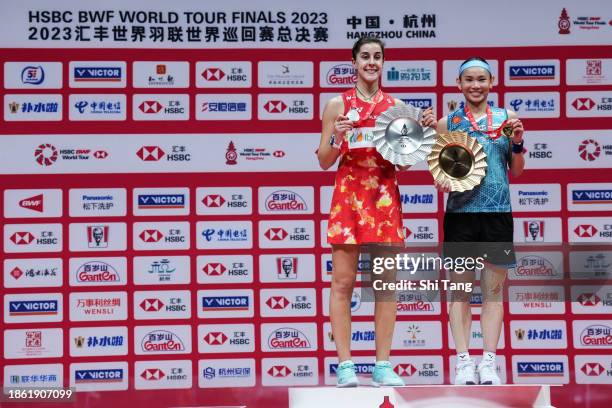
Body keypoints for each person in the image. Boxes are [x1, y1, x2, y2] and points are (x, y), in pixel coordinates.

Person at [317, 37, 436, 387]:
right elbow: (324, 161)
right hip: (349, 199)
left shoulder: (397, 108)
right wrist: (337, 138)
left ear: (384, 63)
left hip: (384, 199)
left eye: (377, 57)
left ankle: (383, 365)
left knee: (385, 287)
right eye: (365, 56)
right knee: (342, 283)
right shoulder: (337, 104)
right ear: (353, 62)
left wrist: (422, 132)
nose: (372, 62)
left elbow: (405, 164)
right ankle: (345, 365)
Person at [435, 57, 525, 385]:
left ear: (491, 83)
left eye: (481, 79)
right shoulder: (448, 123)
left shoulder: (506, 119)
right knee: (460, 291)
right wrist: (443, 180)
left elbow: (516, 170)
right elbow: (441, 171)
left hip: (497, 213)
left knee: (492, 292)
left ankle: (488, 362)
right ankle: (463, 362)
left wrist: (517, 143)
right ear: (459, 84)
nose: (475, 85)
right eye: (469, 80)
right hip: (461, 215)